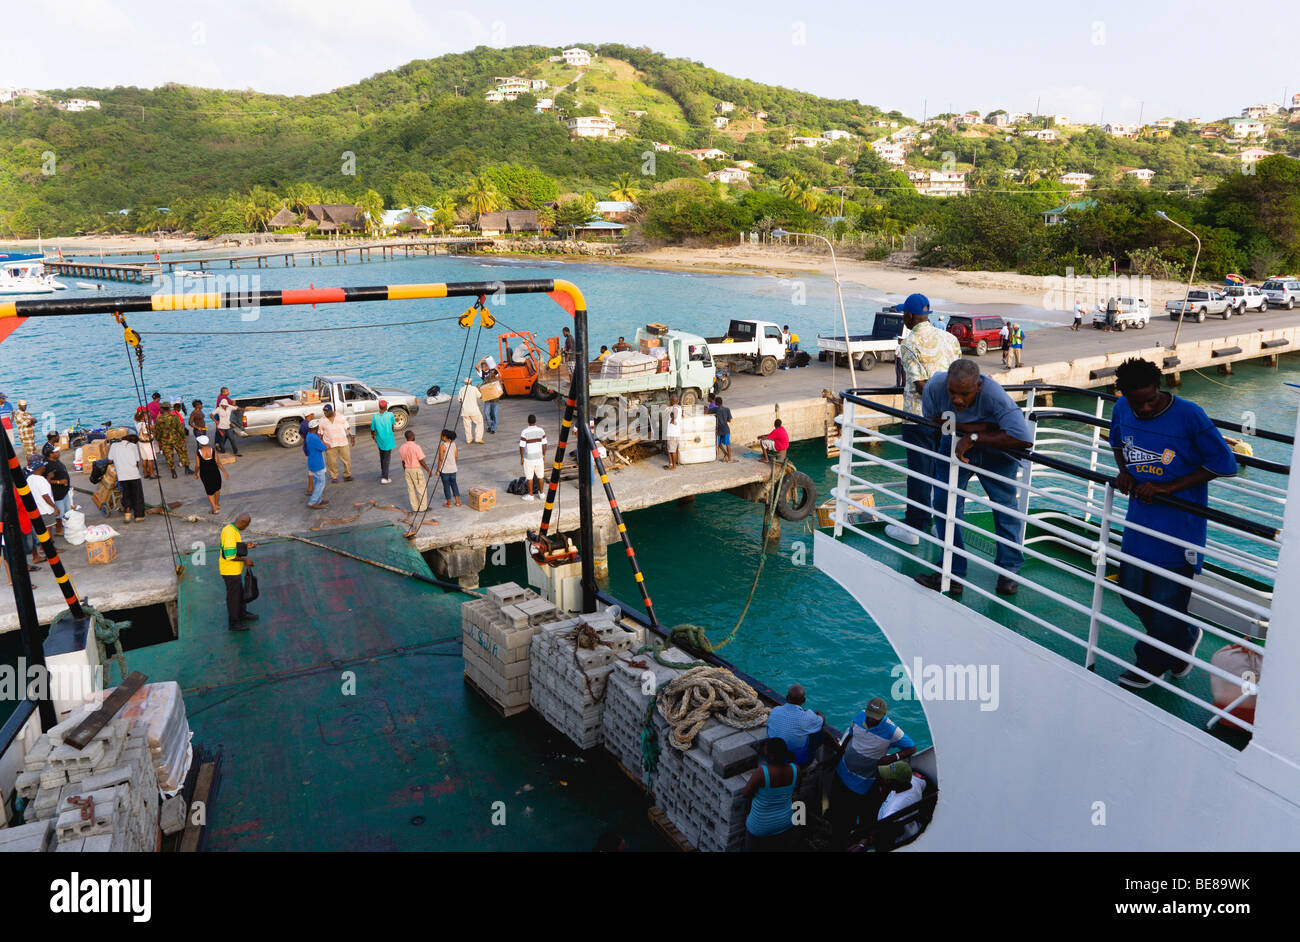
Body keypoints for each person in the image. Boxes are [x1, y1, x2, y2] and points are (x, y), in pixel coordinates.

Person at [1109, 357, 1238, 690]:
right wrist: (1125, 471)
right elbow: (1116, 442)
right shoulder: (1122, 408)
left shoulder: (1189, 415)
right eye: (1139, 402)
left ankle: (1150, 663)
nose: (1147, 407)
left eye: (1152, 398)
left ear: (1159, 387)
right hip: (1139, 522)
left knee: (1167, 601)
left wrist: (1168, 487)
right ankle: (1184, 636)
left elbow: (1224, 463)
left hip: (1180, 527)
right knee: (1131, 593)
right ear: (1123, 394)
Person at [915, 360, 1032, 597]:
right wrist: (981, 427)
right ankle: (951, 571)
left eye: (965, 394)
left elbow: (1023, 439)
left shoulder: (994, 396)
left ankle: (1009, 571)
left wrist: (976, 437)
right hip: (955, 440)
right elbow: (937, 421)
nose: (957, 400)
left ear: (978, 387)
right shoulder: (935, 388)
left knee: (1005, 507)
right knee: (943, 502)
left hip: (997, 450)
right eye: (953, 393)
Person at [887, 292, 963, 547]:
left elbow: (920, 385)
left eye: (903, 315)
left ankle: (914, 526)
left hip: (920, 418)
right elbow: (959, 378)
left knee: (919, 472)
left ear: (908, 316)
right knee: (943, 471)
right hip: (950, 417)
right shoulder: (950, 338)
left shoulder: (909, 343)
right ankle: (942, 526)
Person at [830, 696, 916, 849]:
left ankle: (845, 843)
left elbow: (911, 747)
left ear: (883, 716)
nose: (870, 720)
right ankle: (836, 835)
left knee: (849, 817)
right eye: (869, 716)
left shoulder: (892, 730)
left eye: (875, 718)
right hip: (842, 771)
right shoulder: (859, 716)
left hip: (862, 782)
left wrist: (891, 758)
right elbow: (850, 735)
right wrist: (838, 756)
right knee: (837, 810)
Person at [742, 738, 799, 852]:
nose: (765, 753)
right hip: (785, 822)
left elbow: (745, 794)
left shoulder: (762, 772)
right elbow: (796, 790)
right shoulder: (795, 769)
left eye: (766, 751)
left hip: (760, 825)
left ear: (772, 756)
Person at [766, 685, 827, 767]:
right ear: (804, 700)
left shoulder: (775, 710)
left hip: (773, 755)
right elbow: (822, 721)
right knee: (819, 731)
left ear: (787, 697)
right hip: (795, 761)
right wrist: (819, 713)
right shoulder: (806, 717)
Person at [220, 513, 257, 631]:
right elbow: (229, 555)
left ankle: (242, 613)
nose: (246, 528)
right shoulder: (230, 532)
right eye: (246, 525)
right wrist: (245, 559)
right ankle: (234, 623)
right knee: (233, 597)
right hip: (230, 571)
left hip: (234, 570)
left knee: (239, 594)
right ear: (242, 522)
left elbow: (233, 547)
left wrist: (246, 546)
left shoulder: (231, 529)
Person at [108, 431, 146, 523]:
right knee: (137, 495)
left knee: (126, 494)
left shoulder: (114, 446)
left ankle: (127, 513)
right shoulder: (133, 446)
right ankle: (139, 516)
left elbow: (110, 460)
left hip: (122, 475)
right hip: (133, 474)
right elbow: (137, 461)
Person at [319, 403, 355, 483]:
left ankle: (347, 475)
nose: (325, 414)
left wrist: (352, 437)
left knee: (347, 460)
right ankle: (334, 477)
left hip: (343, 443)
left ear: (331, 411)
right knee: (331, 462)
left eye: (326, 412)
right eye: (324, 412)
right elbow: (320, 433)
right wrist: (323, 443)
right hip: (330, 445)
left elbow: (348, 427)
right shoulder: (322, 420)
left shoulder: (340, 417)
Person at [194, 435, 228, 515]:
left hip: (205, 473)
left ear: (200, 444)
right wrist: (224, 472)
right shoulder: (213, 450)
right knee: (217, 489)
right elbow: (218, 462)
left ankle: (215, 509)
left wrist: (195, 474)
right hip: (215, 471)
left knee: (209, 491)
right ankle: (216, 504)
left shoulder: (198, 453)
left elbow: (198, 465)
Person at [399, 429, 432, 512]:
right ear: (412, 436)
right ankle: (423, 508)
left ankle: (415, 507)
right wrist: (428, 470)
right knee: (421, 488)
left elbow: (403, 461)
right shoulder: (416, 447)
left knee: (411, 489)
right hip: (416, 469)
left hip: (407, 469)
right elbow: (421, 460)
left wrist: (406, 470)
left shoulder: (402, 447)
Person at [154, 400, 188, 478]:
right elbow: (179, 428)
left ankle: (173, 472)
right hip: (176, 438)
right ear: (169, 409)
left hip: (165, 440)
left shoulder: (159, 419)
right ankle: (187, 469)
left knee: (169, 456)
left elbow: (158, 431)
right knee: (182, 453)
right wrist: (183, 437)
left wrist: (159, 439)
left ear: (162, 409)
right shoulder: (174, 417)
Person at [519, 415, 547, 502]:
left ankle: (530, 495)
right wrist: (543, 454)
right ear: (535, 421)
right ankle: (541, 493)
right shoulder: (541, 431)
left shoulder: (524, 432)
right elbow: (544, 444)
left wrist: (522, 457)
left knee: (529, 477)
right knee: (541, 476)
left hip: (529, 459)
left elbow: (522, 446)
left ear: (528, 421)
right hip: (539, 458)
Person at [43, 449, 71, 535]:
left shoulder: (57, 461)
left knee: (67, 511)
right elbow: (45, 480)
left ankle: (65, 526)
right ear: (50, 455)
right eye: (56, 452)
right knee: (59, 513)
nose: (58, 453)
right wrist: (59, 482)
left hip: (64, 492)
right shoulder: (47, 466)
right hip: (57, 494)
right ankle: (59, 530)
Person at [304, 419, 329, 509]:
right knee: (321, 483)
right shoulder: (314, 437)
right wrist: (327, 445)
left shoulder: (309, 435)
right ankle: (313, 501)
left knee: (317, 482)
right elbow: (323, 447)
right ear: (316, 428)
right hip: (317, 463)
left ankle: (318, 500)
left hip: (312, 462)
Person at [370, 400, 396, 484]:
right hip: (388, 440)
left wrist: (373, 437)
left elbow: (372, 429)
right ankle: (385, 478)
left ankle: (383, 473)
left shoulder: (375, 416)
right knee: (386, 459)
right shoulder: (390, 415)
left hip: (379, 440)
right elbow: (392, 426)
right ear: (385, 407)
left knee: (382, 456)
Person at [436, 429, 461, 508]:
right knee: (454, 484)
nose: (440, 437)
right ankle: (457, 502)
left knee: (446, 486)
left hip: (445, 470)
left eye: (441, 436)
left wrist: (438, 470)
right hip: (453, 469)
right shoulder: (454, 445)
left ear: (445, 437)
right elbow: (456, 457)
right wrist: (453, 464)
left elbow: (440, 459)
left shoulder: (443, 446)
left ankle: (449, 503)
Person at [133, 407, 158, 479]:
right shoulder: (145, 425)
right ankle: (152, 474)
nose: (148, 416)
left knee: (144, 459)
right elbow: (151, 428)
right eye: (146, 415)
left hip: (141, 443)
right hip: (147, 443)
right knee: (150, 459)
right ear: (142, 417)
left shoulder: (138, 423)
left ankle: (145, 473)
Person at [478, 357, 500, 434]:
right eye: (491, 372)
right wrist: (479, 388)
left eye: (493, 372)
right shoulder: (486, 379)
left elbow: (500, 390)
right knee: (486, 413)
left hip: (495, 400)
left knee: (495, 415)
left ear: (495, 373)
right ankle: (490, 425)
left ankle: (493, 428)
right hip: (487, 399)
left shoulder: (497, 380)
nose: (491, 373)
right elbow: (482, 386)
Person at [458, 378, 484, 444]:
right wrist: (479, 389)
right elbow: (481, 396)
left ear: (465, 383)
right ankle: (478, 439)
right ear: (471, 382)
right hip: (474, 411)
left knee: (467, 426)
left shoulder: (461, 389)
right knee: (479, 423)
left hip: (465, 411)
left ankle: (469, 440)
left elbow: (460, 400)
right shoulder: (474, 388)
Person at [713, 395, 734, 463]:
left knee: (718, 443)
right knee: (727, 444)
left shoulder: (715, 409)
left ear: (716, 403)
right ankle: (729, 459)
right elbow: (729, 420)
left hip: (719, 429)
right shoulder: (727, 409)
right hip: (725, 428)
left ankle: (725, 453)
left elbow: (707, 412)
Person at [664, 395, 681, 470]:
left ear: (672, 401)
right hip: (675, 433)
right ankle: (671, 464)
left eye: (670, 400)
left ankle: (674, 466)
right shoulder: (679, 407)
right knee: (670, 449)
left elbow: (675, 415)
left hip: (672, 433)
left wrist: (672, 420)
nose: (669, 401)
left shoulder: (675, 408)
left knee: (672, 450)